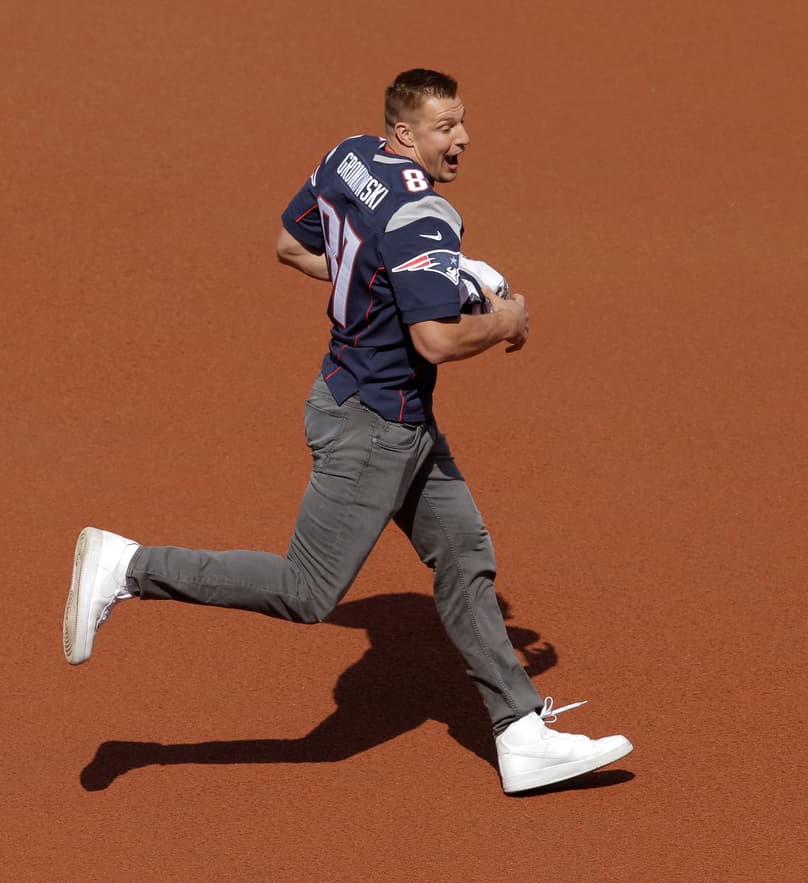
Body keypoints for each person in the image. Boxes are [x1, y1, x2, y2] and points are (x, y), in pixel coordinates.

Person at [63, 70, 632, 794]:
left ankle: (520, 733)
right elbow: (435, 341)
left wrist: (393, 279)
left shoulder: (350, 159)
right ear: (405, 132)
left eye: (462, 122)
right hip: (374, 427)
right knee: (307, 591)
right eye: (445, 127)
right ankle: (129, 566)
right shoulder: (425, 217)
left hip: (366, 400)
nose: (462, 139)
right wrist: (505, 319)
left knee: (463, 551)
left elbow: (290, 246)